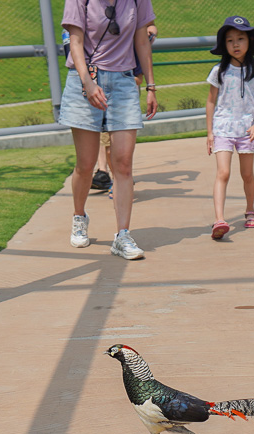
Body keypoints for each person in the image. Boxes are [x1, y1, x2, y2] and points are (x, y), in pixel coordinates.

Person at [60, 0, 158, 260]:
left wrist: (150, 85)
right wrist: (89, 83)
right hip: (84, 80)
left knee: (123, 164)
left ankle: (122, 235)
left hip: (123, 81)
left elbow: (141, 41)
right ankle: (79, 215)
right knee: (86, 163)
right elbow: (76, 42)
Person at [205, 16, 254, 240]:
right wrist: (209, 132)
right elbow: (211, 102)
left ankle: (250, 209)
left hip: (247, 129)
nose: (235, 44)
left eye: (240, 39)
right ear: (224, 45)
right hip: (223, 127)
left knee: (247, 174)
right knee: (223, 173)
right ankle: (219, 219)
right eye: (230, 40)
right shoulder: (219, 71)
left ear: (249, 41)